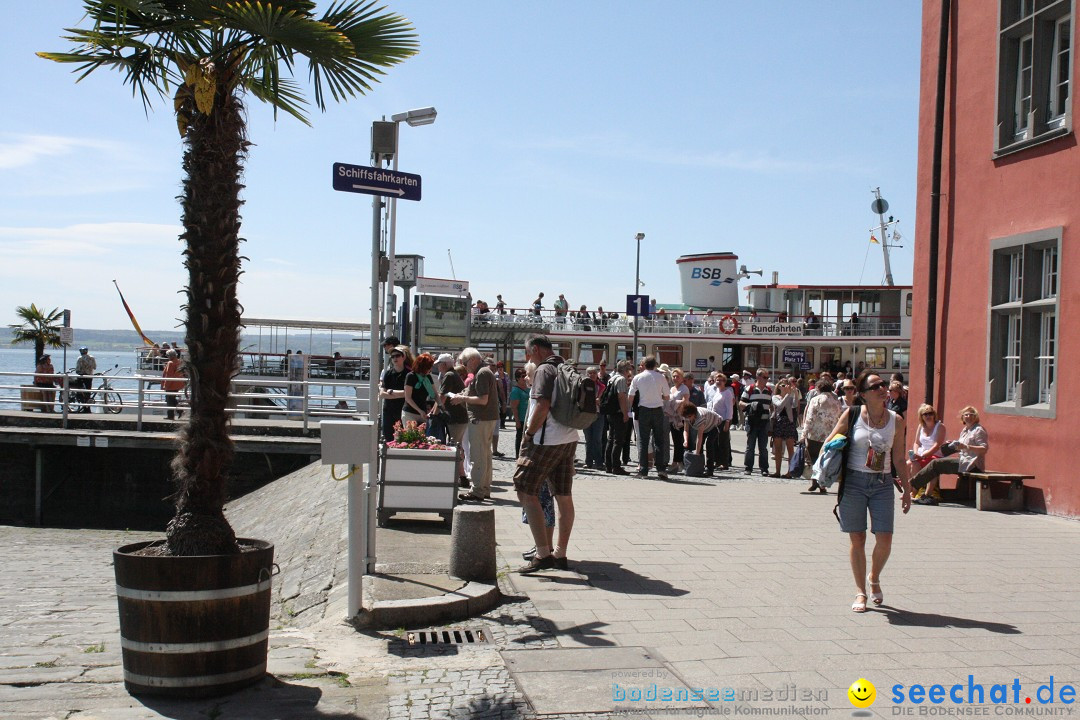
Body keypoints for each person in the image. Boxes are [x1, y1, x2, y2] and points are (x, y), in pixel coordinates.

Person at [826, 371, 910, 613]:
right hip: (854, 482)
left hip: (882, 483)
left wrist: (906, 489)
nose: (882, 389)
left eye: (883, 385)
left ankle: (874, 576)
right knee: (858, 538)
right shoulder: (852, 414)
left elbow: (899, 457)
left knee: (885, 538)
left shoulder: (897, 420)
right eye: (875, 386)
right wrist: (831, 452)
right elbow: (830, 441)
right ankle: (861, 591)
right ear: (863, 394)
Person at [515, 334, 580, 572]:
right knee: (563, 495)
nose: (526, 357)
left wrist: (529, 434)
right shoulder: (564, 366)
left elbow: (542, 406)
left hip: (546, 441)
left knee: (524, 488)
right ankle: (560, 554)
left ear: (535, 350)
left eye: (527, 352)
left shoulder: (544, 370)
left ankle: (542, 554)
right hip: (569, 438)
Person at [448, 347, 499, 502]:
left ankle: (477, 490)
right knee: (485, 454)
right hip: (486, 418)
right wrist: (462, 395)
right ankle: (484, 488)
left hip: (480, 418)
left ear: (473, 360)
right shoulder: (483, 372)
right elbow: (473, 393)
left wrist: (462, 399)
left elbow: (482, 399)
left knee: (478, 455)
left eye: (464, 362)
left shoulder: (482, 373)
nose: (464, 366)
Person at [910, 406, 988, 505]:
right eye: (966, 414)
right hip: (963, 461)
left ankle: (915, 487)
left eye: (971, 414)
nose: (968, 416)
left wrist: (966, 446)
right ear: (962, 418)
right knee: (933, 464)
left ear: (976, 417)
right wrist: (951, 445)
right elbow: (961, 447)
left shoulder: (979, 430)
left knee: (935, 463)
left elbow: (984, 449)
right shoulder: (965, 430)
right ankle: (922, 492)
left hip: (973, 464)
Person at [627, 355, 670, 479]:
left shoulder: (638, 377)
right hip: (658, 410)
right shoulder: (661, 377)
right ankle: (661, 469)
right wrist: (658, 397)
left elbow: (631, 396)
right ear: (655, 365)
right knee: (659, 440)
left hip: (643, 410)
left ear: (644, 365)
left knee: (643, 440)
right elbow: (667, 397)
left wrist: (629, 409)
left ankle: (643, 470)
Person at [801, 378, 842, 492]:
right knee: (825, 460)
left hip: (815, 434)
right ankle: (822, 484)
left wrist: (803, 434)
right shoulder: (836, 401)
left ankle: (815, 482)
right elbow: (839, 417)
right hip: (830, 435)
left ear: (818, 388)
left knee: (814, 459)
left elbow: (809, 418)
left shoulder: (816, 400)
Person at [437, 356, 470, 484]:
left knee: (455, 447)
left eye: (439, 364)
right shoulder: (453, 374)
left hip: (455, 417)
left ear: (444, 364)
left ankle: (456, 477)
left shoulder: (449, 375)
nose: (438, 366)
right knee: (458, 446)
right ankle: (461, 476)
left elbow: (442, 396)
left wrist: (434, 412)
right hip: (460, 417)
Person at [908, 403, 946, 502]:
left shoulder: (940, 426)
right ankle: (913, 490)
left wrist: (924, 455)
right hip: (921, 453)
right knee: (909, 464)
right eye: (925, 414)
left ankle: (922, 493)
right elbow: (916, 442)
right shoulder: (921, 426)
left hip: (935, 454)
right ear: (921, 416)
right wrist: (916, 453)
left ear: (934, 414)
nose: (928, 416)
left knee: (930, 465)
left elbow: (937, 444)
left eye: (930, 413)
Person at [740, 368, 772, 475]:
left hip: (764, 422)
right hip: (752, 421)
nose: (767, 379)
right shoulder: (750, 388)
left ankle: (764, 468)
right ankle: (748, 468)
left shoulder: (769, 390)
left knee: (763, 447)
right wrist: (751, 406)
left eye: (767, 377)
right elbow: (740, 404)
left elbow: (771, 406)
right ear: (758, 377)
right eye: (765, 377)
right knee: (750, 446)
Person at [679, 400, 724, 476]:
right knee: (699, 446)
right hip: (706, 426)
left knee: (709, 444)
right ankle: (699, 467)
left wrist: (696, 452)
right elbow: (686, 430)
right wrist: (686, 440)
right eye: (687, 417)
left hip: (715, 424)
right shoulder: (687, 417)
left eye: (690, 416)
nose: (688, 419)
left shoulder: (700, 418)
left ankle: (710, 469)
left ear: (694, 414)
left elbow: (699, 437)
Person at [604, 360, 633, 475]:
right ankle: (616, 466)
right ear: (626, 370)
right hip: (618, 413)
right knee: (618, 440)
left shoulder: (612, 378)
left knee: (611, 439)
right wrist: (625, 413)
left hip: (610, 412)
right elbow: (621, 396)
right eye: (629, 370)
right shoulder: (621, 379)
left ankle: (608, 465)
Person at [377, 345, 409, 442]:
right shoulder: (388, 374)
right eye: (393, 356)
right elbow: (382, 394)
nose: (395, 358)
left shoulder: (409, 374)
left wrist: (391, 392)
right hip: (388, 412)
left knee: (403, 439)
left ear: (403, 357)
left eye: (397, 355)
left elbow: (409, 394)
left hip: (403, 411)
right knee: (388, 439)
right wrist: (402, 394)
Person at [771, 379, 799, 477]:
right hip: (779, 423)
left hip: (789, 423)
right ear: (778, 387)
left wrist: (795, 392)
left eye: (786, 385)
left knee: (790, 448)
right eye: (782, 385)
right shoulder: (775, 397)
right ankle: (777, 471)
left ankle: (789, 472)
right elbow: (780, 405)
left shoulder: (790, 396)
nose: (784, 387)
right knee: (778, 449)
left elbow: (795, 405)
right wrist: (787, 394)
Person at [402, 353, 437, 428]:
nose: (430, 370)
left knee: (423, 438)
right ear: (423, 367)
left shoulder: (428, 377)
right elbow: (408, 398)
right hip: (410, 413)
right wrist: (419, 410)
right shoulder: (411, 376)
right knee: (411, 438)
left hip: (423, 413)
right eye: (429, 367)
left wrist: (438, 406)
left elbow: (435, 394)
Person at [583, 366, 606, 469]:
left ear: (597, 375)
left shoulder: (602, 387)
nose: (591, 375)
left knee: (597, 439)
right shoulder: (582, 386)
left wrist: (600, 402)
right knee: (588, 439)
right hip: (586, 415)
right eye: (589, 373)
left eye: (593, 373)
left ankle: (599, 462)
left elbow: (607, 401)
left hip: (598, 414)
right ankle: (588, 462)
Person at [509, 367, 530, 458]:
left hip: (529, 418)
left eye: (526, 375)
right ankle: (519, 454)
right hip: (521, 418)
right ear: (517, 378)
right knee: (520, 437)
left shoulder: (529, 388)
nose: (525, 377)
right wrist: (517, 421)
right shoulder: (515, 390)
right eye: (523, 376)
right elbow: (514, 407)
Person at [160, 349, 187, 420]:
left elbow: (169, 375)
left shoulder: (170, 363)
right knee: (172, 399)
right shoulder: (179, 362)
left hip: (171, 385)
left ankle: (172, 415)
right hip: (178, 384)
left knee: (169, 399)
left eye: (167, 355)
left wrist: (165, 386)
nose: (167, 357)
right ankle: (179, 411)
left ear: (170, 356)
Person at [74, 346, 96, 412]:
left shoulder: (80, 358)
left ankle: (82, 404)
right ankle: (87, 408)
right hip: (89, 377)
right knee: (88, 392)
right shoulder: (92, 358)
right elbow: (94, 367)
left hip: (82, 376)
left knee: (80, 391)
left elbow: (77, 369)